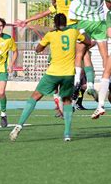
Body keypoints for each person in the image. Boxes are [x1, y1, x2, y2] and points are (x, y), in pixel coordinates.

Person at [9, 14, 91, 142]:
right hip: (68, 74)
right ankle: (67, 134)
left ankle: (19, 125)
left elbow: (37, 49)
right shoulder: (73, 32)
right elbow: (87, 41)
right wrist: (82, 32)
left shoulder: (51, 35)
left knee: (35, 97)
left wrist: (45, 42)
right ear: (66, 22)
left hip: (53, 73)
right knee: (67, 101)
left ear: (55, 23)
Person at [69, 0, 111, 99]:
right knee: (104, 55)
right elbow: (108, 5)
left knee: (80, 54)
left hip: (84, 23)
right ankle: (108, 80)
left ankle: (76, 82)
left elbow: (77, 0)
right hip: (99, 22)